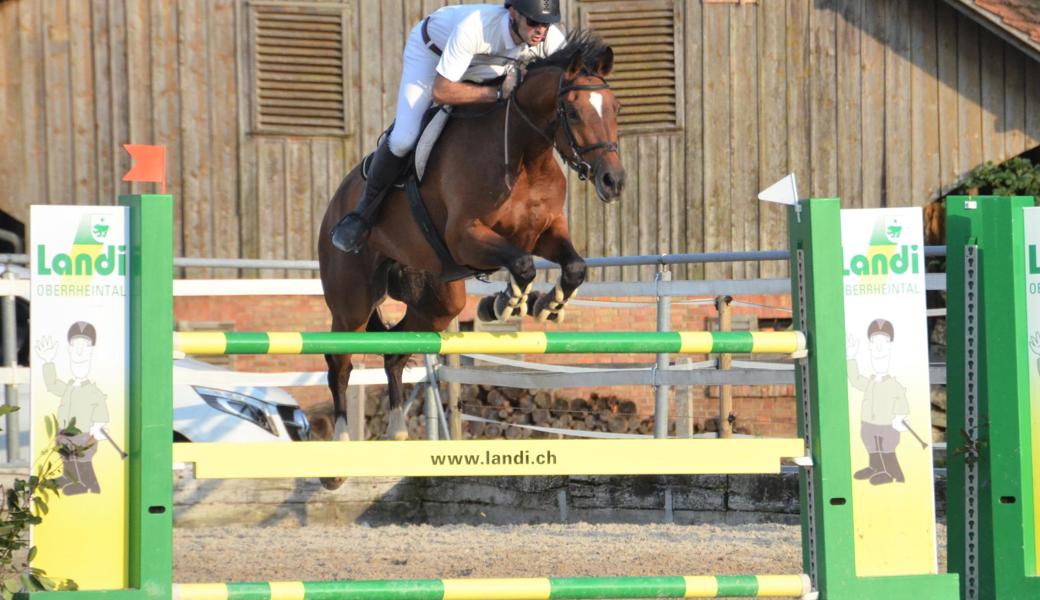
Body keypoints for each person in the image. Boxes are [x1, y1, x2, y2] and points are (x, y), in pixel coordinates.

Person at [330, 1, 567, 254]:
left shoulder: (550, 39)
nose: (541, 31)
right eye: (533, 22)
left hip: (486, 63)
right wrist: (497, 92)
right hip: (432, 55)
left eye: (546, 23)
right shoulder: (476, 28)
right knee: (403, 139)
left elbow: (572, 81)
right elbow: (442, 91)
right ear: (513, 13)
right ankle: (362, 215)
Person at [36, 321, 110, 495]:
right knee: (68, 458)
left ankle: (83, 483)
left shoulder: (94, 392)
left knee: (82, 460)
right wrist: (48, 361)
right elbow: (52, 385)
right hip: (65, 433)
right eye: (75, 344)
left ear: (91, 349)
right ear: (69, 348)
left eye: (84, 345)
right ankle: (74, 479)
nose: (79, 350)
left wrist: (95, 433)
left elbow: (101, 418)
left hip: (83, 435)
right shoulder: (69, 387)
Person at [846, 318, 909, 486]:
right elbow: (855, 380)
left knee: (887, 448)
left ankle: (892, 474)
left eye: (883, 340)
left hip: (887, 423)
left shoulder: (894, 384)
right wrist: (851, 358)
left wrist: (900, 416)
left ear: (890, 344)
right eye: (875, 340)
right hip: (868, 422)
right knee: (871, 445)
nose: (878, 346)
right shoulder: (871, 381)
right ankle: (875, 468)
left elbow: (901, 399)